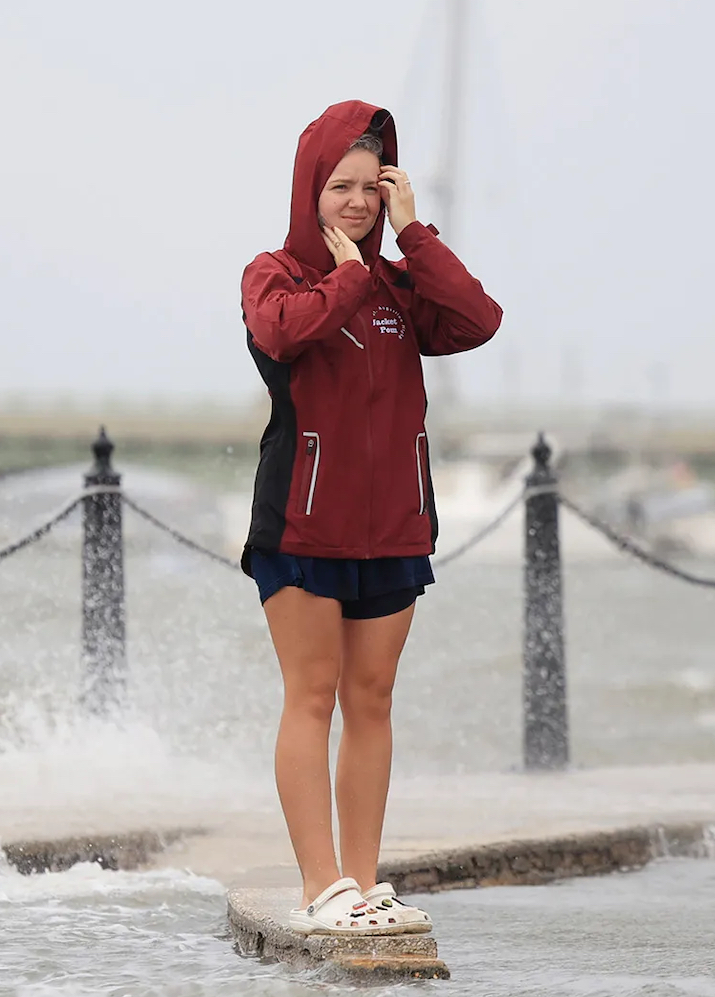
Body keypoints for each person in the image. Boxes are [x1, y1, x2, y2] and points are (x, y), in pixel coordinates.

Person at [240, 100, 502, 935]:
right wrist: (350, 274)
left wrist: (414, 236)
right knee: (311, 695)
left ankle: (363, 881)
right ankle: (324, 889)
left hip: (391, 526)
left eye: (372, 185)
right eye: (341, 185)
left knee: (374, 698)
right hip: (302, 526)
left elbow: (476, 319)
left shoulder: (401, 286)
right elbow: (283, 334)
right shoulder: (274, 272)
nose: (357, 201)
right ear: (310, 187)